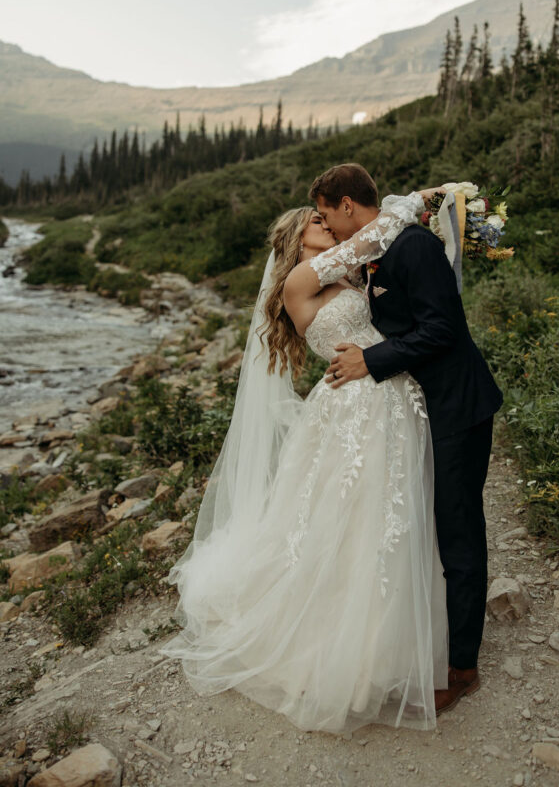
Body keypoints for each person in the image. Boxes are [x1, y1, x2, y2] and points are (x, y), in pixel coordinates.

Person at [159, 183, 452, 734]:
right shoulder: (300, 280)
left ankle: (387, 645)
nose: (325, 224)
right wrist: (415, 201)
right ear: (298, 241)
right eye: (315, 222)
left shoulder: (348, 275)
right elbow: (378, 232)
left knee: (387, 517)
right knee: (355, 518)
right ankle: (345, 653)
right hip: (354, 408)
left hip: (387, 393)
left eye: (324, 217)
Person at [312, 163, 503, 715]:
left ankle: (463, 667)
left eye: (327, 214)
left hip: (458, 408)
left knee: (459, 530)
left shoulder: (413, 248)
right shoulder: (378, 250)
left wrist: (370, 361)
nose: (328, 225)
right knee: (433, 525)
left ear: (348, 205)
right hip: (426, 407)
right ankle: (436, 638)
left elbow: (443, 328)